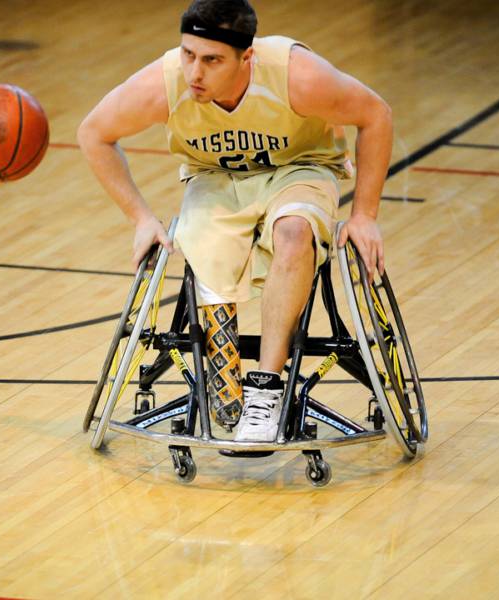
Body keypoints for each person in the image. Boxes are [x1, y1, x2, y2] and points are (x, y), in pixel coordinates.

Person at [78, 0, 393, 442]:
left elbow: (375, 114)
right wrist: (141, 218)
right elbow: (93, 133)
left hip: (300, 169)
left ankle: (265, 391)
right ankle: (224, 383)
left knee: (294, 231)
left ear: (247, 57)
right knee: (205, 243)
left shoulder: (296, 76)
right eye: (188, 54)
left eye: (211, 60)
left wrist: (364, 215)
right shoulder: (163, 84)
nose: (195, 72)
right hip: (215, 177)